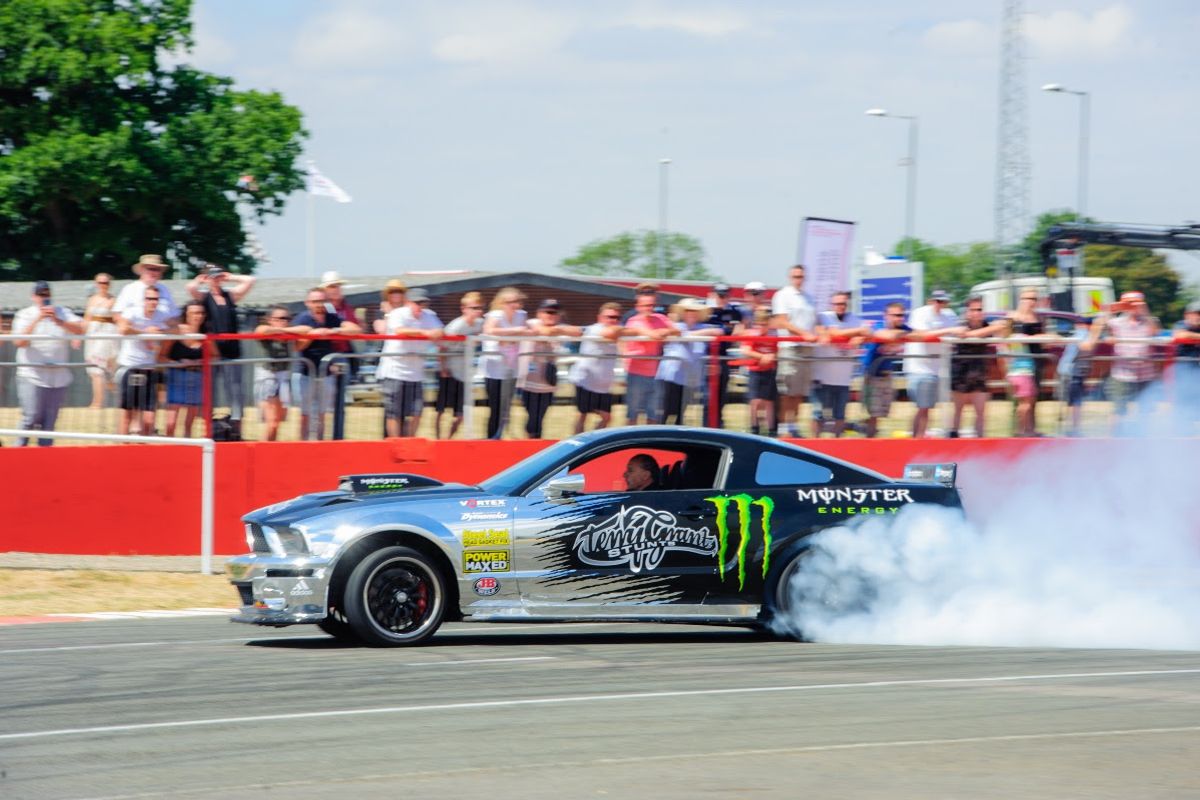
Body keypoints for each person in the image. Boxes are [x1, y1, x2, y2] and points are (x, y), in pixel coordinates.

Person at [187, 264, 255, 439]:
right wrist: (201, 279)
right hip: (213, 351)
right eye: (212, 277)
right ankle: (210, 429)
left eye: (217, 277)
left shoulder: (230, 296)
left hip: (232, 351)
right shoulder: (205, 297)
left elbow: (250, 280)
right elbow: (190, 288)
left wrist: (229, 277)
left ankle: (236, 428)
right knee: (211, 391)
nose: (215, 280)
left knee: (235, 391)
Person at [12, 281, 84, 446]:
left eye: (46, 294)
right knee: (31, 417)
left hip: (58, 378)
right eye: (40, 295)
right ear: (33, 297)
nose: (44, 298)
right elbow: (19, 342)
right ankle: (16, 455)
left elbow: (81, 328)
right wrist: (38, 318)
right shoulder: (25, 314)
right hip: (32, 375)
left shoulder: (62, 312)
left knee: (49, 425)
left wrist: (58, 321)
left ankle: (44, 462)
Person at [291, 287, 363, 439]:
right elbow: (297, 346)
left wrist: (332, 331)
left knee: (323, 414)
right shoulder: (302, 318)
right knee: (305, 415)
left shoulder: (331, 317)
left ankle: (320, 447)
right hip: (306, 372)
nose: (319, 304)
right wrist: (312, 335)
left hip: (326, 373)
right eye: (315, 301)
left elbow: (355, 329)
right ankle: (302, 448)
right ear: (307, 303)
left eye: (322, 301)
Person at [1088, 290, 1160, 431]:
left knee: (1145, 410)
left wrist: (1144, 311)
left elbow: (1155, 331)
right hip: (1122, 374)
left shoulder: (1150, 321)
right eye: (1129, 303)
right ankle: (1115, 440)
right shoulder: (1116, 322)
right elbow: (1098, 327)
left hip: (1145, 374)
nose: (1132, 307)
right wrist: (1108, 311)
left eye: (1135, 303)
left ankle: (1144, 441)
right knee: (1119, 410)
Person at [377, 286, 443, 437]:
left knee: (417, 411)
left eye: (423, 303)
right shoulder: (397, 314)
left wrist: (435, 333)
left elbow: (440, 330)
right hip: (394, 372)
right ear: (408, 302)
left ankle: (409, 441)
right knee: (394, 413)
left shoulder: (429, 316)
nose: (420, 306)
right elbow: (400, 330)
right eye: (417, 302)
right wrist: (425, 333)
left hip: (416, 373)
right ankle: (395, 443)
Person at [518, 299, 581, 439]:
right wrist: (555, 330)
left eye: (555, 312)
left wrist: (557, 329)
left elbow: (578, 331)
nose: (552, 315)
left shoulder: (560, 327)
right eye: (548, 312)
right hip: (530, 380)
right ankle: (529, 441)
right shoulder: (532, 322)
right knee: (532, 416)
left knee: (541, 416)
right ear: (540, 313)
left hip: (548, 380)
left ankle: (535, 441)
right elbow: (542, 331)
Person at [116, 285, 173, 435]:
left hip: (149, 368)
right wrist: (145, 333)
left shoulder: (161, 314)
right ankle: (121, 449)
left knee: (149, 417)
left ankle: (146, 450)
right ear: (143, 300)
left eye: (155, 299)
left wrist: (161, 332)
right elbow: (122, 329)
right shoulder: (133, 312)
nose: (152, 302)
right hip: (130, 366)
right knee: (126, 415)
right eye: (149, 298)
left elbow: (177, 328)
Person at [813, 291, 871, 437]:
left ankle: (837, 444)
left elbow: (869, 331)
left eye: (843, 304)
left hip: (844, 377)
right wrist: (858, 332)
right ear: (831, 305)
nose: (841, 307)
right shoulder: (825, 317)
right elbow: (834, 333)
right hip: (823, 375)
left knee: (840, 414)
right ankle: (814, 445)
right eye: (837, 304)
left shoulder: (854, 318)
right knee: (818, 414)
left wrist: (861, 338)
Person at [904, 289, 959, 438]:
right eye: (937, 301)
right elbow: (922, 335)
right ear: (930, 301)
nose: (939, 304)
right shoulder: (920, 313)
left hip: (937, 368)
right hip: (920, 368)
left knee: (927, 408)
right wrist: (949, 330)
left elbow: (957, 335)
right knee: (924, 407)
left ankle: (919, 438)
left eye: (943, 301)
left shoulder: (949, 316)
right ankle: (918, 439)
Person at [771, 264, 818, 437]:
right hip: (790, 347)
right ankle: (783, 427)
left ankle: (794, 426)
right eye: (795, 276)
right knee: (786, 391)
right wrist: (804, 334)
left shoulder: (809, 298)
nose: (798, 279)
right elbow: (781, 321)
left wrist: (815, 335)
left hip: (807, 348)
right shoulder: (783, 295)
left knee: (800, 392)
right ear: (790, 277)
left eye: (801, 277)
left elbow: (815, 322)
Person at [657, 298, 721, 425]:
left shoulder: (703, 327)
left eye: (695, 311)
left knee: (681, 412)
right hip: (670, 376)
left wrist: (691, 334)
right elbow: (670, 333)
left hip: (689, 378)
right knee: (667, 411)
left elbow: (718, 331)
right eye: (688, 311)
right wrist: (689, 334)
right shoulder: (676, 326)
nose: (691, 314)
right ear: (683, 313)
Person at [949, 296, 1006, 438]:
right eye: (973, 310)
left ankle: (980, 442)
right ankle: (953, 440)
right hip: (961, 371)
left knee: (981, 412)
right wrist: (995, 327)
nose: (976, 313)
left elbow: (1004, 331)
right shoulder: (961, 325)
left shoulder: (987, 325)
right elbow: (968, 335)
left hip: (979, 370)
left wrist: (1001, 325)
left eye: (979, 309)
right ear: (967, 312)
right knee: (958, 410)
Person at [479, 287, 530, 439]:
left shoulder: (521, 315)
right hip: (493, 368)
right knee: (495, 405)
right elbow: (489, 330)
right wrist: (515, 331)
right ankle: (492, 437)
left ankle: (501, 434)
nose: (515, 305)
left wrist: (509, 336)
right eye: (510, 302)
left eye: (518, 301)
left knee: (506, 406)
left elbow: (526, 331)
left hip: (511, 366)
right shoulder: (495, 314)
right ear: (501, 303)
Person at [160, 302, 215, 438]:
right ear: (186, 315)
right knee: (171, 422)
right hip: (176, 377)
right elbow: (161, 356)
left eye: (201, 313)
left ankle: (187, 450)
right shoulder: (177, 331)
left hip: (196, 377)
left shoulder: (205, 335)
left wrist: (199, 362)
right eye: (194, 313)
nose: (198, 316)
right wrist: (177, 363)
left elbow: (215, 356)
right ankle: (168, 449)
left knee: (189, 423)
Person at [253, 305, 308, 442]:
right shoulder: (266, 331)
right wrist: (283, 331)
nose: (284, 321)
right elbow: (261, 330)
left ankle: (270, 452)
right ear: (270, 319)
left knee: (277, 422)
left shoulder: (288, 336)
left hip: (283, 378)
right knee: (271, 422)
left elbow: (307, 330)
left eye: (287, 319)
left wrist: (285, 332)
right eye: (280, 318)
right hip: (267, 378)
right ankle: (262, 454)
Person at [435, 291, 485, 439]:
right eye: (474, 308)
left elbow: (488, 328)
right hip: (449, 372)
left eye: (480, 308)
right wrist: (444, 368)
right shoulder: (455, 327)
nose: (478, 311)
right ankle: (438, 438)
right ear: (464, 309)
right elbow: (441, 347)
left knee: (460, 414)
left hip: (464, 374)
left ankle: (448, 439)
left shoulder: (480, 324)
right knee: (441, 410)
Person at [569, 302, 625, 434]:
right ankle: (576, 442)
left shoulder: (618, 331)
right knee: (582, 415)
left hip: (603, 386)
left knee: (607, 417)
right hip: (585, 380)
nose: (613, 320)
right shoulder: (595, 329)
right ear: (600, 318)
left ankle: (591, 440)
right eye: (610, 317)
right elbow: (610, 333)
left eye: (617, 317)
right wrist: (624, 330)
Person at [622, 287, 674, 425]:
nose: (649, 308)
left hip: (656, 373)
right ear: (638, 306)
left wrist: (664, 331)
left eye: (652, 305)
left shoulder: (661, 318)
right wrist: (656, 333)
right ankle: (629, 444)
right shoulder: (632, 321)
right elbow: (652, 335)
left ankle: (649, 445)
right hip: (636, 373)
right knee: (633, 414)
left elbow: (676, 331)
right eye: (646, 305)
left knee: (654, 414)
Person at [861, 302, 911, 438]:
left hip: (887, 374)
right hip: (872, 374)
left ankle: (860, 428)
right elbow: (887, 336)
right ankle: (868, 439)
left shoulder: (903, 328)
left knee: (884, 412)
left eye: (901, 315)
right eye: (895, 315)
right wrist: (904, 334)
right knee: (874, 413)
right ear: (886, 316)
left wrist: (904, 333)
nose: (899, 318)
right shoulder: (877, 326)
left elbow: (918, 334)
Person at [1006, 289, 1047, 437]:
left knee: (1033, 398)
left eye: (1034, 299)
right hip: (1020, 363)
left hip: (1036, 360)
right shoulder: (1013, 317)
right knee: (1022, 400)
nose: (1031, 302)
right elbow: (1007, 338)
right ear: (1020, 299)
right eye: (1028, 298)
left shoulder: (1039, 318)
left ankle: (1031, 429)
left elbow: (1043, 340)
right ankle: (1020, 430)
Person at [703, 283, 744, 427]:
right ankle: (705, 427)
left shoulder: (734, 312)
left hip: (722, 357)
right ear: (713, 295)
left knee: (721, 395)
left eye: (725, 295)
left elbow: (739, 330)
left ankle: (717, 425)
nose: (722, 298)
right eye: (720, 295)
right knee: (706, 396)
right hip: (705, 357)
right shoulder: (704, 311)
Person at [735, 307, 778, 437]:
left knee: (769, 401)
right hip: (755, 370)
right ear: (756, 324)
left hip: (769, 370)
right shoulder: (751, 334)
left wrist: (772, 356)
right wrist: (762, 357)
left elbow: (777, 350)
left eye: (765, 324)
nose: (763, 328)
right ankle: (754, 427)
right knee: (755, 401)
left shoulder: (773, 335)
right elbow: (745, 350)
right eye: (760, 325)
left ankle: (771, 430)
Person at [81, 273, 117, 409]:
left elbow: (116, 319)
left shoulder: (113, 300)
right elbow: (86, 318)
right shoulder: (92, 300)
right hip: (92, 335)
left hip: (106, 335)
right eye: (100, 283)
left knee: (103, 369)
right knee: (94, 369)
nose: (103, 286)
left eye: (106, 283)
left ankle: (102, 402)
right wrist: (80, 334)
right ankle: (97, 401)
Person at [114, 254, 178, 322]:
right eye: (151, 269)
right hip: (136, 331)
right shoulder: (130, 289)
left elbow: (175, 315)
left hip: (162, 330)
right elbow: (117, 315)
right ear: (141, 270)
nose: (154, 272)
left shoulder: (165, 289)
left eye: (158, 269)